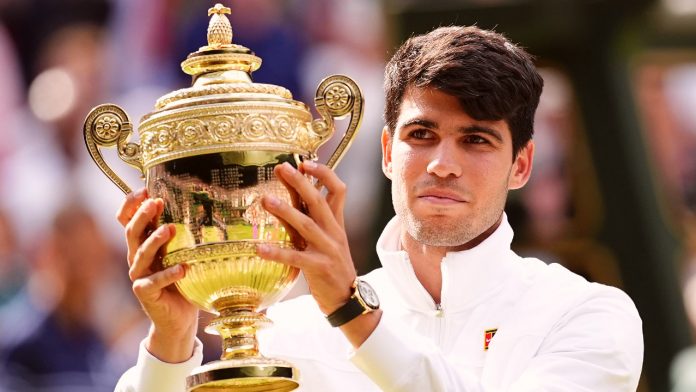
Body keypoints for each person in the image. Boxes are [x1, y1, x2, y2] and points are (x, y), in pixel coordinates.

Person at [114, 26, 643, 391]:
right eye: (422, 134)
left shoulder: (586, 313)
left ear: (522, 165)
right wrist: (171, 340)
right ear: (389, 152)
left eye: (476, 140)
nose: (442, 164)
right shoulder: (289, 335)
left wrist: (352, 313)